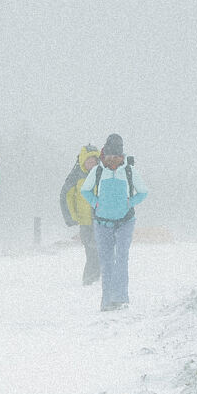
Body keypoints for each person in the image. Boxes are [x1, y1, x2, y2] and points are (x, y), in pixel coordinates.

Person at [80, 133, 148, 311]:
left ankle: (121, 298)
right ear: (104, 156)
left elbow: (143, 192)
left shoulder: (129, 171)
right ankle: (107, 301)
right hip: (102, 223)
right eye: (109, 157)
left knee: (122, 258)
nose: (112, 160)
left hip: (125, 222)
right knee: (106, 261)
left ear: (122, 156)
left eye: (116, 157)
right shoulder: (98, 171)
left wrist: (129, 203)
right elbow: (85, 190)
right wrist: (96, 202)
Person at [59, 143, 102, 284]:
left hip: (101, 221)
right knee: (91, 252)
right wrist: (71, 218)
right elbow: (66, 196)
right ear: (83, 161)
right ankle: (91, 280)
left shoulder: (102, 174)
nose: (91, 164)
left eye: (94, 161)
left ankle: (94, 279)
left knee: (99, 251)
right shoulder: (76, 176)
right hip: (85, 222)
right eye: (88, 161)